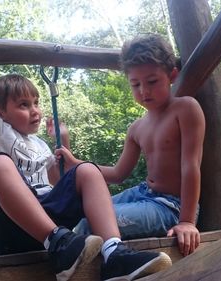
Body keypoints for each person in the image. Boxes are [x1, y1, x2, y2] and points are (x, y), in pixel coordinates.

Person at [0, 35, 172, 281]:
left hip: (47, 219)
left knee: (87, 170)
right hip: (10, 229)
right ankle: (57, 242)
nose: (35, 110)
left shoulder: (41, 145)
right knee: (0, 163)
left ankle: (113, 253)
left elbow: (58, 183)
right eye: (23, 105)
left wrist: (62, 144)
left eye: (36, 102)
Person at [64, 34, 206, 257]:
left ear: (172, 75)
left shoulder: (185, 109)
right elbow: (118, 173)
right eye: (135, 84)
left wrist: (187, 221)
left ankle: (115, 264)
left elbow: (191, 165)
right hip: (141, 194)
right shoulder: (137, 128)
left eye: (152, 82)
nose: (144, 91)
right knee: (82, 213)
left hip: (171, 206)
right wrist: (76, 165)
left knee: (91, 224)